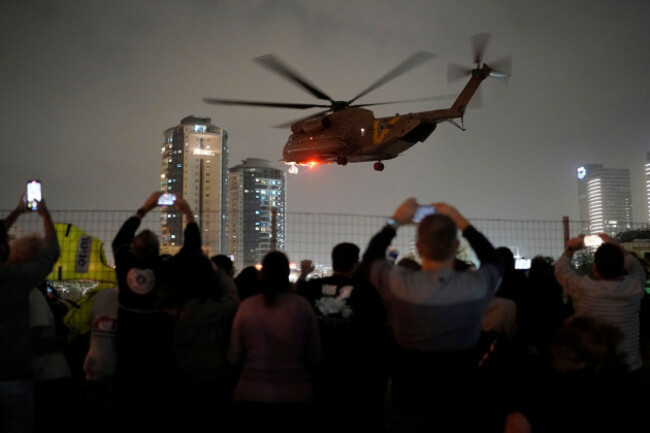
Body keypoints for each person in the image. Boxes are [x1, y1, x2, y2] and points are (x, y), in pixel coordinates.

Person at [361, 198, 505, 432]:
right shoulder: (475, 286)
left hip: (410, 403)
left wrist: (394, 222)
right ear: (457, 245)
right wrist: (461, 221)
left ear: (418, 247)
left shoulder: (399, 285)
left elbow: (370, 261)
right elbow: (494, 260)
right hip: (463, 405)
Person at [111, 191, 200, 429]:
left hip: (127, 348)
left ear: (132, 249)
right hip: (159, 349)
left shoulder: (124, 264)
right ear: (158, 251)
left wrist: (144, 208)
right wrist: (188, 213)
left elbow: (118, 240)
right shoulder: (165, 269)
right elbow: (192, 250)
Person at [297, 243, 391, 432]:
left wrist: (305, 272)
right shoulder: (365, 290)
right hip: (354, 361)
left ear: (333, 260)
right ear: (355, 264)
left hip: (320, 357)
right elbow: (381, 318)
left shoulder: (315, 286)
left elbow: (299, 288)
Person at [228, 251, 323, 433]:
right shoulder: (301, 306)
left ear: (262, 274)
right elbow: (316, 356)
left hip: (250, 394)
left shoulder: (247, 306)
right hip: (295, 395)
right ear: (286, 275)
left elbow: (233, 356)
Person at [158, 251, 239, 431]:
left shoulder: (172, 304)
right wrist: (218, 272)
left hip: (181, 376)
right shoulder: (203, 309)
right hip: (211, 378)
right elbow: (232, 299)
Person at [0, 195, 60, 433]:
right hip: (15, 378)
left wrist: (14, 214)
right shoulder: (19, 281)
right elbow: (52, 252)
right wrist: (44, 214)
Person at [554, 233, 646, 373]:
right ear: (622, 268)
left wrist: (571, 249)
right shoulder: (635, 287)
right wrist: (617, 246)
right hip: (630, 366)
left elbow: (561, 269)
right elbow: (636, 266)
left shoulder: (584, 288)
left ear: (594, 268)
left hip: (594, 366)